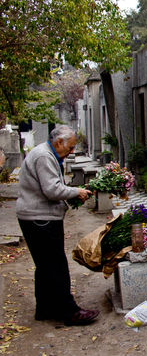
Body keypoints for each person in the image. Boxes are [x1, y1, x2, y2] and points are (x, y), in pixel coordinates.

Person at [16, 125, 97, 326]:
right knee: (56, 265)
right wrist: (76, 192)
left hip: (34, 215)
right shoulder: (44, 156)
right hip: (40, 217)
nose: (71, 152)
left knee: (44, 266)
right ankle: (68, 311)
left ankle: (45, 308)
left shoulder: (45, 153)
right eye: (69, 147)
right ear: (58, 142)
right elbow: (52, 190)